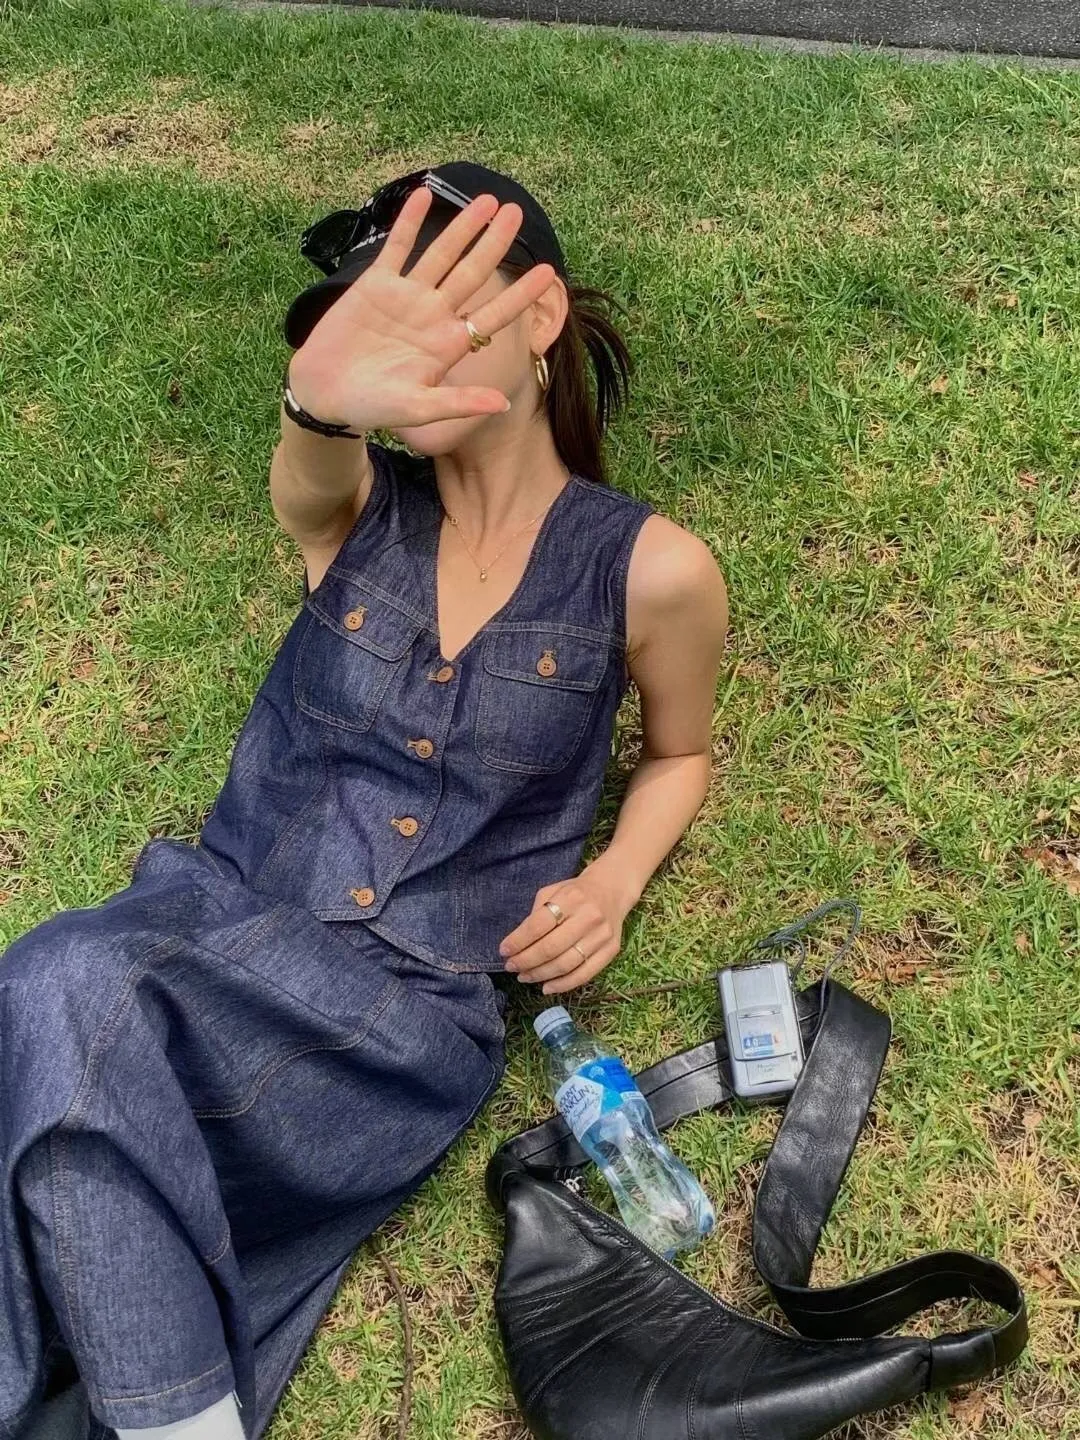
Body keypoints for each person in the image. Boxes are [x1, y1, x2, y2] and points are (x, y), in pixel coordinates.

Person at [0, 161, 728, 1440]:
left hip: (400, 1023)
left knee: (57, 989)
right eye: (374, 318)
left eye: (439, 305)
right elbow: (311, 476)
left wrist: (613, 883)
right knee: (58, 1074)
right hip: (208, 935)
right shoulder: (356, 512)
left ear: (540, 316)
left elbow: (680, 756)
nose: (407, 346)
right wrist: (314, 406)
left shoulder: (651, 570)